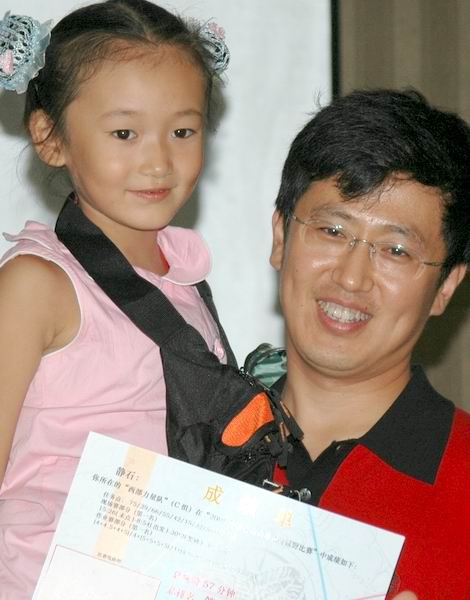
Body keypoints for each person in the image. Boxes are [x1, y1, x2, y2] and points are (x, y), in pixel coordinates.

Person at [0, 2, 232, 597]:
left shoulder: (186, 283)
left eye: (183, 131)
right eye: (124, 133)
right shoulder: (37, 285)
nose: (158, 160)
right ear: (50, 137)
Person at [249, 89, 470, 598]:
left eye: (396, 250)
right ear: (281, 237)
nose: (351, 278)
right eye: (331, 230)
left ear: (447, 287)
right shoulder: (186, 442)